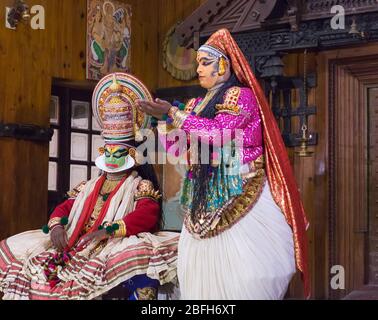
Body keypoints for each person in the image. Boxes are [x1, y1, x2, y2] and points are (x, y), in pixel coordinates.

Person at [136, 28, 310, 300]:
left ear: (224, 65)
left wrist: (172, 112)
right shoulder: (195, 104)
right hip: (203, 199)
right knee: (198, 270)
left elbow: (218, 134)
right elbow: (179, 148)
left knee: (248, 274)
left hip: (240, 190)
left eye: (205, 63)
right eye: (198, 64)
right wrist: (159, 121)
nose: (199, 69)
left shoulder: (241, 97)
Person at [0, 73, 179, 300]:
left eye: (119, 152)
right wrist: (56, 228)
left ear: (132, 154)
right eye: (109, 152)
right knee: (18, 252)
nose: (113, 157)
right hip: (76, 242)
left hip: (112, 242)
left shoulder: (140, 185)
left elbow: (147, 215)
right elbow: (65, 208)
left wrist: (107, 231)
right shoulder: (88, 186)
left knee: (134, 261)